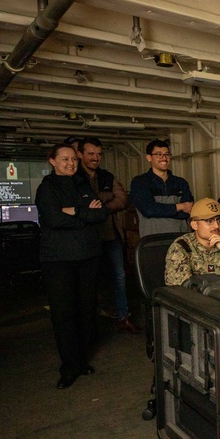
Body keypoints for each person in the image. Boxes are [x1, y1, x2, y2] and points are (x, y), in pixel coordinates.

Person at [36, 144, 107, 390]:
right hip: (59, 260)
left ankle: (81, 360)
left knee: (86, 310)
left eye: (73, 160)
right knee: (64, 313)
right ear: (52, 161)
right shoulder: (47, 188)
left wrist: (73, 212)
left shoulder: (82, 184)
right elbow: (52, 219)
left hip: (88, 256)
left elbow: (101, 215)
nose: (71, 163)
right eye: (64, 159)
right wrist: (85, 212)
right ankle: (69, 367)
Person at [76, 137, 139, 334]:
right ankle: (90, 324)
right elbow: (78, 204)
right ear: (80, 154)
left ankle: (123, 318)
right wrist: (104, 198)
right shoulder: (74, 178)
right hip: (86, 239)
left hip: (111, 236)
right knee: (88, 281)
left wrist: (100, 208)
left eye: (98, 154)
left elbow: (122, 199)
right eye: (91, 154)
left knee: (119, 277)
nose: (95, 158)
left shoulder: (107, 176)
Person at [164, 198, 220, 286]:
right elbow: (181, 289)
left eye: (219, 220)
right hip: (197, 298)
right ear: (194, 225)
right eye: (209, 221)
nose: (217, 226)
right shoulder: (181, 247)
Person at [129, 140, 194, 238]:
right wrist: (180, 206)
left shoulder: (181, 182)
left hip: (181, 241)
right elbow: (148, 210)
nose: (164, 158)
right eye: (159, 154)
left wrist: (159, 211)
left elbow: (188, 211)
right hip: (153, 242)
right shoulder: (140, 182)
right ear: (149, 158)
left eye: (167, 154)